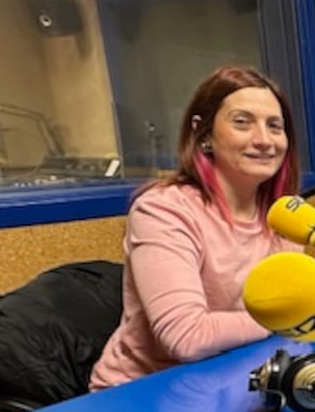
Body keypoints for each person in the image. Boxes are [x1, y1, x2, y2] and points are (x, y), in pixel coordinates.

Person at [91, 64, 302, 389]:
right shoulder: (164, 210)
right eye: (242, 122)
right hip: (142, 393)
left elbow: (293, 309)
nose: (264, 140)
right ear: (203, 134)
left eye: (275, 126)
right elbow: (187, 337)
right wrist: (287, 320)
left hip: (231, 378)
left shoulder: (285, 217)